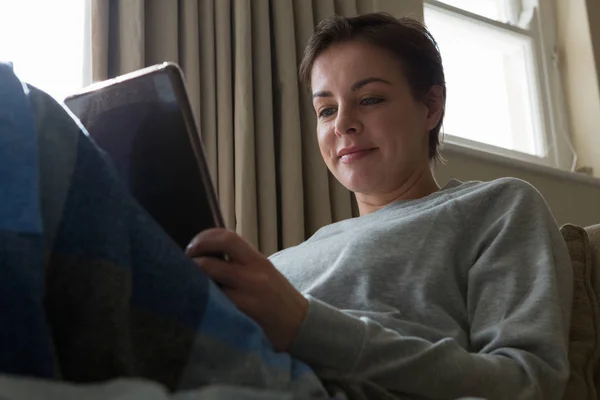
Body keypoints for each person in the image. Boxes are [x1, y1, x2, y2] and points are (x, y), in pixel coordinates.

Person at [186, 13, 573, 400]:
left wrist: (305, 325)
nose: (342, 125)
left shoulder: (496, 208)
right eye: (326, 110)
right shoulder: (277, 264)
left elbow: (526, 382)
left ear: (431, 106)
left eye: (369, 99)